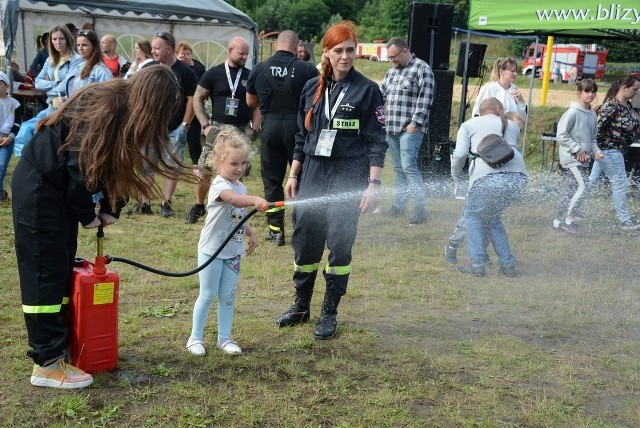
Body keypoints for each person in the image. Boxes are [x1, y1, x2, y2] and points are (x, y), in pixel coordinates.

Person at [11, 65, 188, 389]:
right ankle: (46, 364)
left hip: (57, 190)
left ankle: (60, 348)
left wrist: (111, 207)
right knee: (44, 273)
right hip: (40, 188)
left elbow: (111, 163)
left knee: (62, 267)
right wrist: (87, 214)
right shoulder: (105, 105)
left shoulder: (124, 108)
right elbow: (81, 167)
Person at [275, 22, 387, 340]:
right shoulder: (312, 87)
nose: (345, 56)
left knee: (339, 243)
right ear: (326, 52)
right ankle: (300, 305)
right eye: (338, 50)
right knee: (305, 238)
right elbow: (302, 135)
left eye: (350, 50)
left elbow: (377, 141)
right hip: (312, 170)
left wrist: (373, 184)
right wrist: (294, 173)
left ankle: (329, 311)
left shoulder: (368, 90)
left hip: (348, 173)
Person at [186, 126, 268, 357]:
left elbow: (238, 215)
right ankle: (195, 338)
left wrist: (250, 232)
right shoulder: (220, 185)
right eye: (234, 164)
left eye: (243, 164)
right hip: (212, 251)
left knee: (228, 296)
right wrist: (255, 200)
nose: (239, 168)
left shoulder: (240, 185)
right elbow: (234, 201)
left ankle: (224, 338)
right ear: (219, 161)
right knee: (208, 293)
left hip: (232, 252)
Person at [246, 30, 318, 245]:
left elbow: (251, 102)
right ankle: (302, 227)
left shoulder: (259, 68)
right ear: (297, 47)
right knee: (302, 179)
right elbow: (318, 98)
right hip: (298, 128)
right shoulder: (307, 68)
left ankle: (275, 231)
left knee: (272, 180)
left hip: (270, 127)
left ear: (277, 45)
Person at [451, 97, 528, 277]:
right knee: (492, 217)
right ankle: (508, 265)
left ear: (481, 111)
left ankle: (477, 264)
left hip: (488, 178)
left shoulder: (468, 125)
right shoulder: (512, 126)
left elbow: (461, 153)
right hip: (518, 177)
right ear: (499, 109)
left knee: (473, 217)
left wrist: (456, 177)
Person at [187, 36, 259, 224]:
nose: (245, 57)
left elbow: (259, 105)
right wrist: (205, 125)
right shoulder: (214, 73)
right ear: (230, 50)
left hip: (242, 129)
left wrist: (254, 128)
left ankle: (236, 210)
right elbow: (197, 98)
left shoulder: (250, 75)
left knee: (239, 171)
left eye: (247, 54)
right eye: (241, 53)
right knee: (204, 170)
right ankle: (199, 205)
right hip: (217, 129)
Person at [128, 31, 197, 217]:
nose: (153, 51)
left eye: (157, 48)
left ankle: (167, 203)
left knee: (170, 167)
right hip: (150, 127)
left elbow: (191, 100)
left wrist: (184, 125)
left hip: (174, 128)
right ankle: (144, 203)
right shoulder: (148, 69)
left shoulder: (186, 72)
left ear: (169, 49)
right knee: (145, 164)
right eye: (152, 47)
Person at [380, 37, 433, 225]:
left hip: (410, 129)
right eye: (389, 57)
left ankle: (420, 209)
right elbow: (382, 94)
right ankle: (399, 205)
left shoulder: (421, 68)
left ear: (404, 51)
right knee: (398, 169)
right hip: (391, 128)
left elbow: (426, 98)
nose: (391, 60)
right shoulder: (391, 71)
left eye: (393, 56)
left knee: (409, 167)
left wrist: (415, 124)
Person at [588, 75, 640, 230]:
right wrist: (596, 149)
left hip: (616, 150)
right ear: (624, 88)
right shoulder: (610, 107)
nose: (636, 92)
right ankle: (625, 220)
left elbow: (635, 126)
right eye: (635, 89)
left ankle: (571, 208)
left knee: (591, 181)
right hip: (609, 150)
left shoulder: (627, 106)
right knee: (620, 183)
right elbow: (595, 130)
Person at [553, 79, 602, 236]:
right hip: (571, 158)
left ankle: (557, 221)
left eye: (593, 91)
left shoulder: (592, 115)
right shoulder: (572, 112)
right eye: (587, 91)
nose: (591, 94)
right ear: (579, 93)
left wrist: (596, 152)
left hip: (583, 159)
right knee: (583, 187)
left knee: (572, 190)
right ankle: (569, 220)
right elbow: (561, 135)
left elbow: (593, 139)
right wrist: (578, 150)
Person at [34, 25, 83, 115]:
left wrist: (48, 91)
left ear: (68, 40)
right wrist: (56, 83)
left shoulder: (76, 59)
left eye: (61, 39)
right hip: (51, 107)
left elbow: (67, 85)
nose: (58, 42)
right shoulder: (50, 59)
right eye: (54, 39)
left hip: (67, 109)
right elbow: (37, 82)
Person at [176, 41, 207, 176]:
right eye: (183, 54)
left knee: (194, 138)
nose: (186, 56)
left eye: (188, 54)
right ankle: (175, 163)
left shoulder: (199, 67)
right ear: (177, 54)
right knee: (175, 137)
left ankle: (196, 164)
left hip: (194, 107)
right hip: (177, 108)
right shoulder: (175, 67)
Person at [63, 30, 112, 95]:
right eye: (78, 45)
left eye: (84, 45)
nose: (80, 48)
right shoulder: (79, 66)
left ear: (94, 46)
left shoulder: (101, 71)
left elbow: (107, 97)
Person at [0, 72, 21, 202]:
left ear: (6, 85)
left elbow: (17, 123)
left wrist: (10, 137)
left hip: (7, 140)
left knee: (1, 166)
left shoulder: (14, 103)